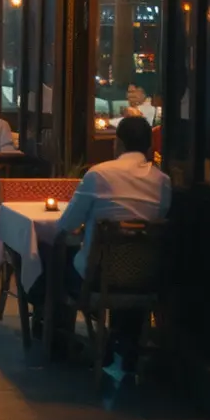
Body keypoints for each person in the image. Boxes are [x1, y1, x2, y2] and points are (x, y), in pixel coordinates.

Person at [52, 115, 170, 377]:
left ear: (117, 143)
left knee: (59, 256)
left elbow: (67, 223)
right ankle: (123, 340)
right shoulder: (163, 182)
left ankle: (60, 343)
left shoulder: (100, 174)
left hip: (97, 279)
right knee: (124, 265)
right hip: (145, 280)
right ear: (150, 147)